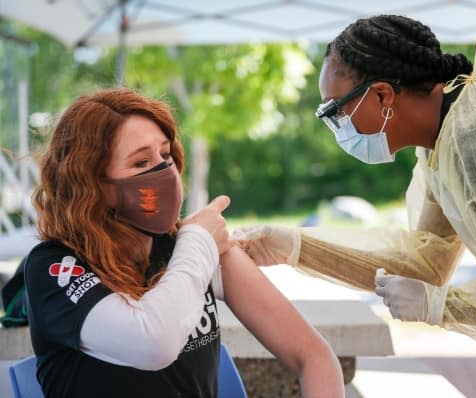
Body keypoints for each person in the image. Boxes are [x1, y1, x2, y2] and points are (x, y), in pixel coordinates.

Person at [235, 14, 476, 398]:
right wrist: (293, 247)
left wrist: (440, 307)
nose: (337, 127)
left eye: (334, 111)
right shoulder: (445, 135)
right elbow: (426, 264)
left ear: (383, 95)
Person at [24, 88, 344, 398]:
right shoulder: (55, 266)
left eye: (164, 154)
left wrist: (198, 245)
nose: (165, 171)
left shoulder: (188, 248)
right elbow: (153, 344)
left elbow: (314, 357)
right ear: (92, 183)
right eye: (140, 163)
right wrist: (199, 241)